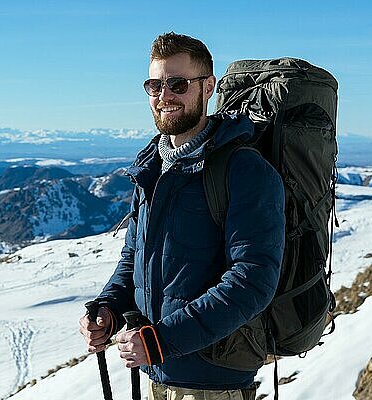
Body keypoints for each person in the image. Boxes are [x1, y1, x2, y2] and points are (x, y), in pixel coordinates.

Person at [79, 32, 285, 400]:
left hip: (213, 382)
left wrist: (162, 340)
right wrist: (109, 310)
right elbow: (135, 260)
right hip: (158, 374)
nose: (164, 96)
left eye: (178, 84)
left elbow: (253, 278)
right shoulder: (152, 169)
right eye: (154, 85)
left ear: (208, 88)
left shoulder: (243, 170)